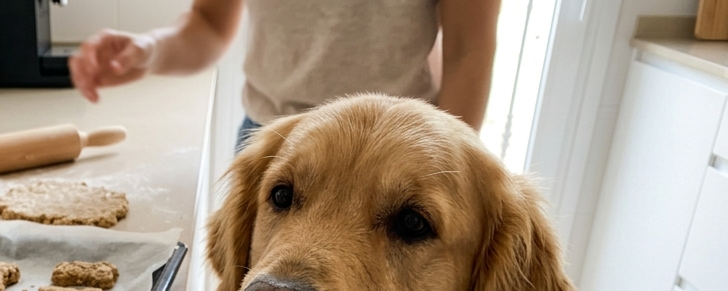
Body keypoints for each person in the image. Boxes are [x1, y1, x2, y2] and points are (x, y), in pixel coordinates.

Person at [68, 0, 500, 147]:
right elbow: (210, 24)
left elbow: (470, 50)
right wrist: (152, 50)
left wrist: (446, 166)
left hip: (391, 150)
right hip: (270, 141)